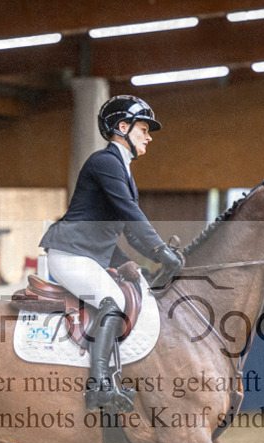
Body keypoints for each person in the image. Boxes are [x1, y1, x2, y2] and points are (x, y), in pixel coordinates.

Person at [39, 95, 182, 413]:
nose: (149, 136)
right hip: (69, 253)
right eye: (144, 129)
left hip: (87, 254)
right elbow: (130, 214)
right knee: (113, 302)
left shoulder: (121, 168)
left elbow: (124, 230)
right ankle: (99, 385)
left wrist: (138, 262)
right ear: (122, 127)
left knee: (136, 290)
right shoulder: (105, 162)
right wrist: (160, 251)